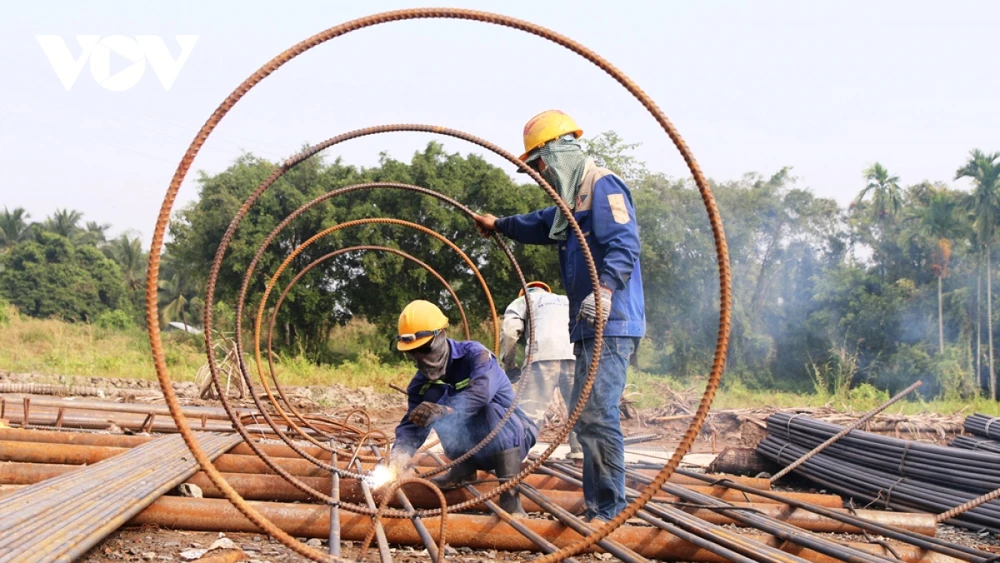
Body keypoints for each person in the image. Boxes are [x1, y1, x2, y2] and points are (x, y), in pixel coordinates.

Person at [473, 109, 645, 522]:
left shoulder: (602, 185)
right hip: (587, 326)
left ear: (557, 153)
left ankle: (609, 511)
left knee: (597, 414)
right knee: (586, 416)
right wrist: (498, 224)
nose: (541, 174)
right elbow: (538, 224)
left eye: (540, 164)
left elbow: (625, 243)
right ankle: (598, 506)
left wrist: (604, 291)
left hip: (612, 320)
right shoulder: (570, 204)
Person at [387, 299, 538, 515]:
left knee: (488, 410)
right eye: (413, 352)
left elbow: (482, 394)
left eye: (424, 348)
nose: (420, 357)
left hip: (514, 438)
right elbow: (412, 427)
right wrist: (398, 458)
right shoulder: (420, 385)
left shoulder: (475, 356)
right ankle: (464, 468)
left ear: (441, 335)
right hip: (476, 449)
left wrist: (444, 410)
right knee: (430, 411)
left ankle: (510, 498)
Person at [500, 280, 582, 460]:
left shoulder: (524, 300)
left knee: (529, 412)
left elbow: (510, 332)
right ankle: (580, 454)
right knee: (578, 409)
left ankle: (517, 456)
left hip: (541, 356)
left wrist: (509, 365)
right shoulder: (565, 300)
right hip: (574, 354)